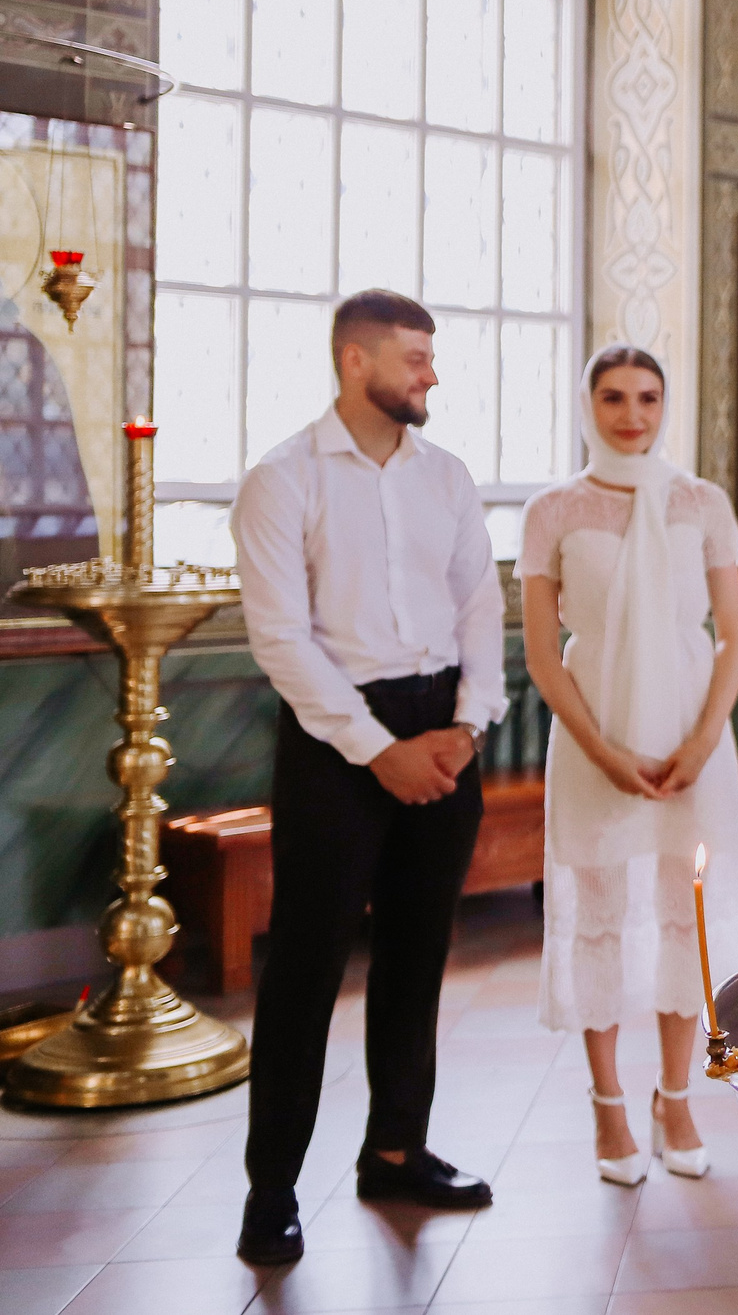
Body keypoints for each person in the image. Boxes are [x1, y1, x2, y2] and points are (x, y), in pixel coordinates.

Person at [231, 292, 507, 1265]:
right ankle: (270, 1190)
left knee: (418, 950)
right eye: (415, 357)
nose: (431, 373)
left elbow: (481, 600)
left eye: (431, 358)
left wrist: (467, 725)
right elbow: (280, 640)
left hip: (442, 728)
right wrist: (376, 748)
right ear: (356, 360)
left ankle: (396, 1146)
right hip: (331, 739)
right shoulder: (281, 478)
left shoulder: (447, 476)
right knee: (306, 965)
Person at [518, 347, 738, 1185]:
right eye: (613, 397)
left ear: (666, 404)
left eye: (648, 397)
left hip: (694, 730)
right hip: (595, 733)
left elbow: (734, 636)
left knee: (682, 915)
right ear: (587, 404)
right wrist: (606, 752)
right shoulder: (552, 511)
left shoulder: (700, 503)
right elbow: (545, 656)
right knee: (602, 914)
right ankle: (609, 1106)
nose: (632, 413)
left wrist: (698, 741)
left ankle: (677, 1098)